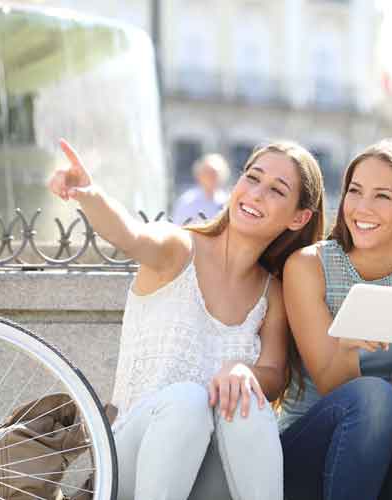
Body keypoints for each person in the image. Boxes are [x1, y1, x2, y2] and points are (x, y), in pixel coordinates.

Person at [48, 139, 325, 500]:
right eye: (252, 178)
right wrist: (89, 194)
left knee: (248, 400)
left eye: (276, 190)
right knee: (187, 401)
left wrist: (245, 372)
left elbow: (272, 375)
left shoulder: (272, 291)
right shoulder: (178, 249)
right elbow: (129, 234)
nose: (256, 194)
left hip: (209, 474)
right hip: (132, 459)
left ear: (298, 218)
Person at [279, 139, 392, 500]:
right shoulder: (308, 266)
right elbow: (330, 383)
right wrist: (347, 348)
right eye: (355, 191)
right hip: (313, 444)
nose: (361, 208)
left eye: (382, 196)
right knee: (372, 395)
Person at [172, 153, 231, 225]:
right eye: (207, 172)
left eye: (215, 173)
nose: (211, 177)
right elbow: (178, 227)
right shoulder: (187, 201)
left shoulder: (227, 202)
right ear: (199, 175)